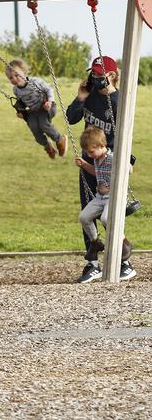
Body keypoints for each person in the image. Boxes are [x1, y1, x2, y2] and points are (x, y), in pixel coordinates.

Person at [66, 55, 135, 283]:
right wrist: (80, 98)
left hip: (110, 166)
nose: (95, 77)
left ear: (112, 76)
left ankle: (124, 261)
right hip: (89, 164)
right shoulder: (90, 96)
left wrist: (126, 163)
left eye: (99, 74)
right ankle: (92, 263)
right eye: (93, 73)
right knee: (88, 212)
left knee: (110, 215)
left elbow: (125, 136)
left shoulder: (118, 102)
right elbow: (71, 117)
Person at [74, 126, 135, 283]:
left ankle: (124, 243)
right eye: (87, 152)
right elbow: (96, 172)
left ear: (102, 145)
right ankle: (96, 242)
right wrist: (84, 164)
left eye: (91, 151)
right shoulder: (97, 159)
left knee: (106, 219)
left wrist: (127, 163)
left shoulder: (113, 158)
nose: (89, 154)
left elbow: (128, 170)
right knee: (84, 217)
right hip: (100, 198)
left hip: (113, 197)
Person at [5, 59, 67, 159]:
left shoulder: (35, 82)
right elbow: (22, 102)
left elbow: (48, 89)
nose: (14, 79)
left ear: (24, 72)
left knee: (43, 124)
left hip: (46, 106)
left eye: (16, 75)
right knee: (34, 128)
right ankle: (48, 146)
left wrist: (49, 101)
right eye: (10, 78)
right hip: (34, 110)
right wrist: (20, 111)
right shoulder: (15, 90)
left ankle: (60, 139)